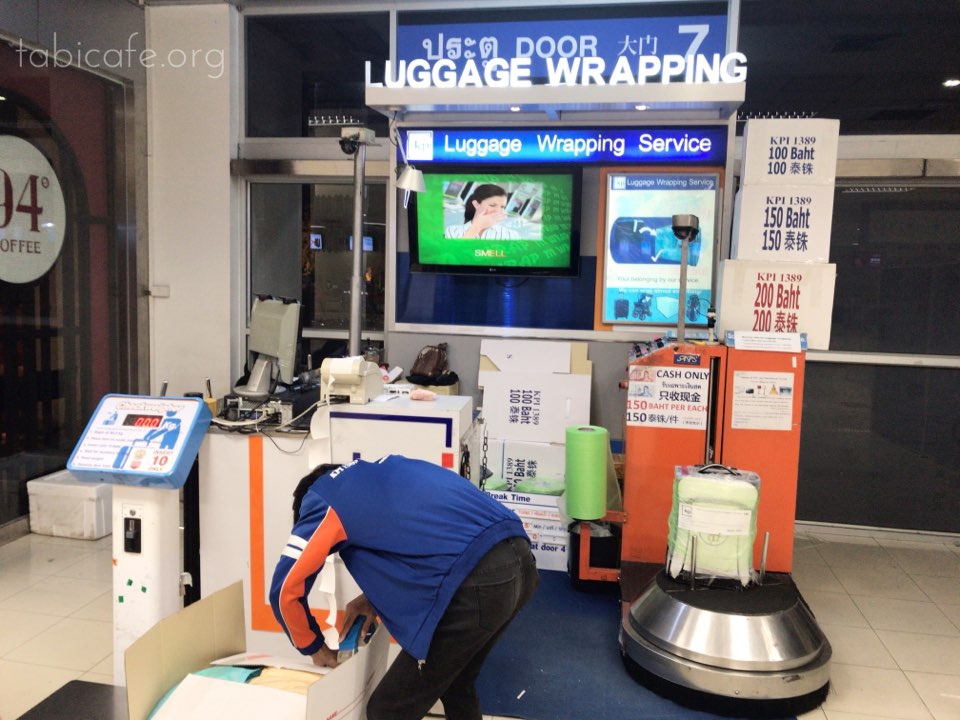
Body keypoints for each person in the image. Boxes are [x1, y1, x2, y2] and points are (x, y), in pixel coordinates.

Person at [270, 455, 539, 720]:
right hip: (520, 561)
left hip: (479, 581)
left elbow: (285, 592)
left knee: (388, 711)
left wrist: (315, 648)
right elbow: (422, 542)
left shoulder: (323, 499)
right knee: (457, 684)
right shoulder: (384, 472)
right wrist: (372, 599)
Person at [444, 184, 520, 240]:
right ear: (476, 204)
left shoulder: (512, 236)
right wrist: (476, 228)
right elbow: (452, 256)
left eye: (502, 207)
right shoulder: (453, 231)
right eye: (492, 205)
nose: (498, 211)